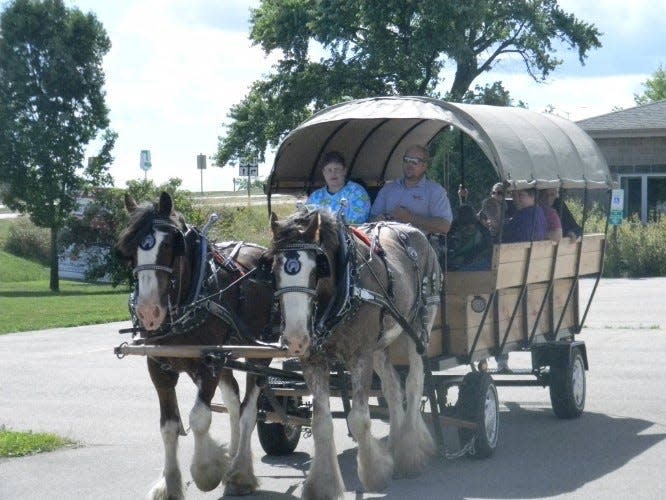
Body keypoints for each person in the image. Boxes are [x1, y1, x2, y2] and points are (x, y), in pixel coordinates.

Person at [370, 144, 452, 234]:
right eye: (406, 160)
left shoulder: (435, 191)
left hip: (420, 244)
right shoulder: (388, 189)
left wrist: (410, 218)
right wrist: (379, 220)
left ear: (424, 166)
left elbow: (445, 226)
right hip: (387, 242)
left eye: (414, 162)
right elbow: (371, 219)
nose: (409, 165)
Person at [306, 151, 371, 224]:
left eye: (337, 169)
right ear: (323, 172)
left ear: (344, 171)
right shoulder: (315, 197)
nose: (333, 173)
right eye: (329, 170)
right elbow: (307, 221)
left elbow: (357, 222)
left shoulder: (357, 192)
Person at [447, 205, 493, 271]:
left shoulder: (484, 236)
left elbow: (486, 252)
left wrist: (464, 259)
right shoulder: (451, 235)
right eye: (464, 224)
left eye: (471, 223)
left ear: (476, 224)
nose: (467, 227)